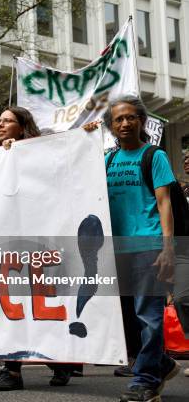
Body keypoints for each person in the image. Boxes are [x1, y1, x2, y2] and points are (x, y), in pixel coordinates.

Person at [0, 106, 76, 391]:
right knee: (13, 304)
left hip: (36, 241)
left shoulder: (38, 151)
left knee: (33, 304)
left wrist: (21, 152)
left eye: (8, 121)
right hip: (7, 242)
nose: (0, 125)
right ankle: (17, 369)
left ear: (22, 127)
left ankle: (53, 362)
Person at [97, 95, 181, 401]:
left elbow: (164, 203)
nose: (124, 123)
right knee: (126, 320)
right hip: (117, 251)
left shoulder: (154, 156)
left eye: (131, 117)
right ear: (111, 125)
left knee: (149, 316)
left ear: (141, 121)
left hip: (148, 245)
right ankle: (161, 363)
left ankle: (145, 381)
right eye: (118, 119)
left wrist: (167, 248)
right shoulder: (106, 160)